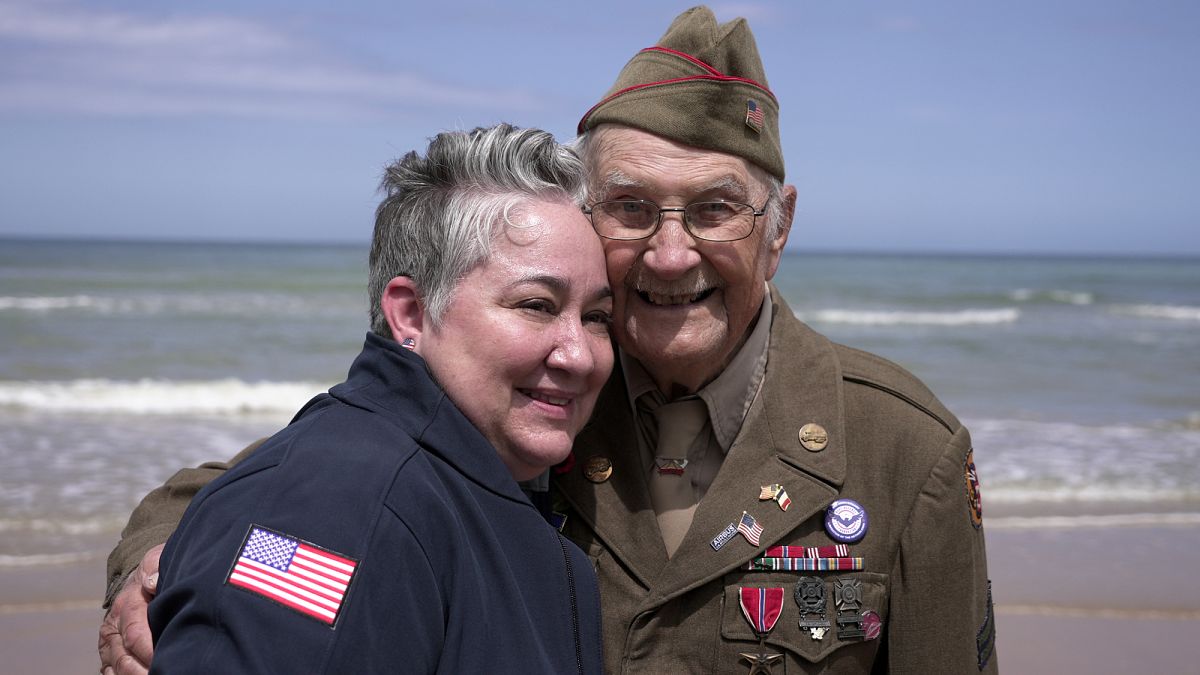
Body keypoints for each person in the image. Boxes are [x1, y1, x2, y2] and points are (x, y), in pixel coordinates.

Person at [101, 7, 996, 674]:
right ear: (583, 215)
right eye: (632, 207)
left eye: (716, 209)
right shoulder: (536, 396)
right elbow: (309, 474)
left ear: (780, 225)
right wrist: (154, 570)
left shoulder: (900, 450)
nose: (672, 250)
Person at [142, 124, 609, 673]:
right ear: (410, 313)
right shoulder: (332, 508)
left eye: (597, 317)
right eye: (536, 305)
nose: (578, 355)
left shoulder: (479, 485)